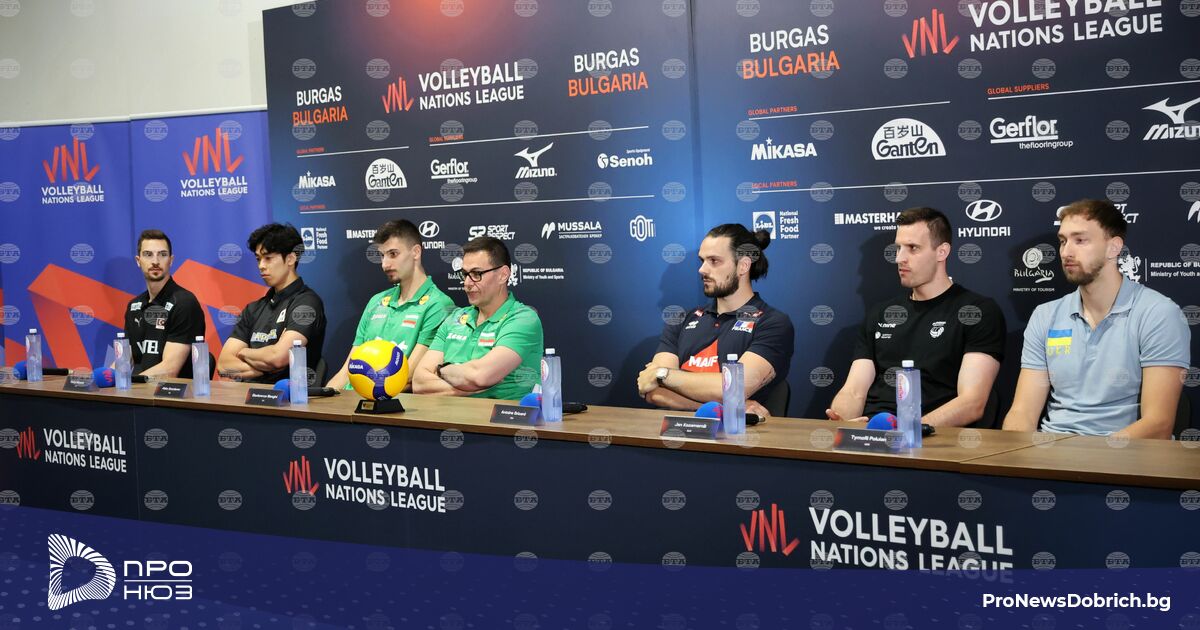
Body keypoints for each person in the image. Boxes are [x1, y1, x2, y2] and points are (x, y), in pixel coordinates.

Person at [1003, 199, 1189, 438]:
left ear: (1113, 247)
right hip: (1052, 449)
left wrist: (1094, 456)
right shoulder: (1045, 315)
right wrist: (1016, 450)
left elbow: (1158, 424)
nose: (1066, 252)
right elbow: (1022, 412)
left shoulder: (1158, 313)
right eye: (1063, 241)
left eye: (1080, 240)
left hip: (1126, 454)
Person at [826, 207, 1006, 427]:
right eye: (898, 248)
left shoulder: (977, 312)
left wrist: (907, 430)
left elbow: (972, 403)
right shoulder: (881, 313)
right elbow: (854, 391)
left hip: (932, 437)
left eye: (912, 248)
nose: (899, 258)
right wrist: (843, 422)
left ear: (942, 252)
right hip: (873, 430)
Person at [637, 224, 795, 418]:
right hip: (678, 433)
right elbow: (654, 391)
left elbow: (734, 389)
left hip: (740, 435)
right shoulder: (682, 320)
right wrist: (731, 406)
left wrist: (663, 374)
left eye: (714, 261)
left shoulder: (772, 323)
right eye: (702, 260)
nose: (702, 269)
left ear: (743, 266)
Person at [326, 220, 455, 391]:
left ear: (416, 252)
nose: (385, 264)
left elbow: (408, 376)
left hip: (385, 400)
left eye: (393, 254)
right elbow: (347, 371)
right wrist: (325, 397)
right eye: (382, 255)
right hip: (352, 397)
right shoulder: (376, 301)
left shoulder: (439, 305)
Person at [413, 236, 543, 399]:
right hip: (449, 414)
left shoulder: (523, 319)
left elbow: (481, 376)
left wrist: (441, 370)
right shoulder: (455, 317)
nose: (467, 283)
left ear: (503, 275)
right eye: (465, 274)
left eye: (476, 274)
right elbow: (419, 383)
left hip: (501, 414)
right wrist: (465, 388)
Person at [217, 223, 326, 384]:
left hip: (289, 396)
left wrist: (243, 352)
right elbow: (224, 365)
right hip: (249, 396)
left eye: (268, 258)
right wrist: (267, 367)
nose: (261, 266)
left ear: (290, 259)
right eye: (258, 259)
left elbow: (278, 358)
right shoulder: (253, 309)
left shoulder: (306, 303)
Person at [123, 229, 205, 378]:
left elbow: (170, 369)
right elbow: (124, 361)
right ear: (138, 261)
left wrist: (131, 384)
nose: (155, 261)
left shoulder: (184, 303)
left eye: (162, 254)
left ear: (171, 260)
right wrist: (99, 378)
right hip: (140, 389)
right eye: (148, 254)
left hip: (171, 391)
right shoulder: (134, 306)